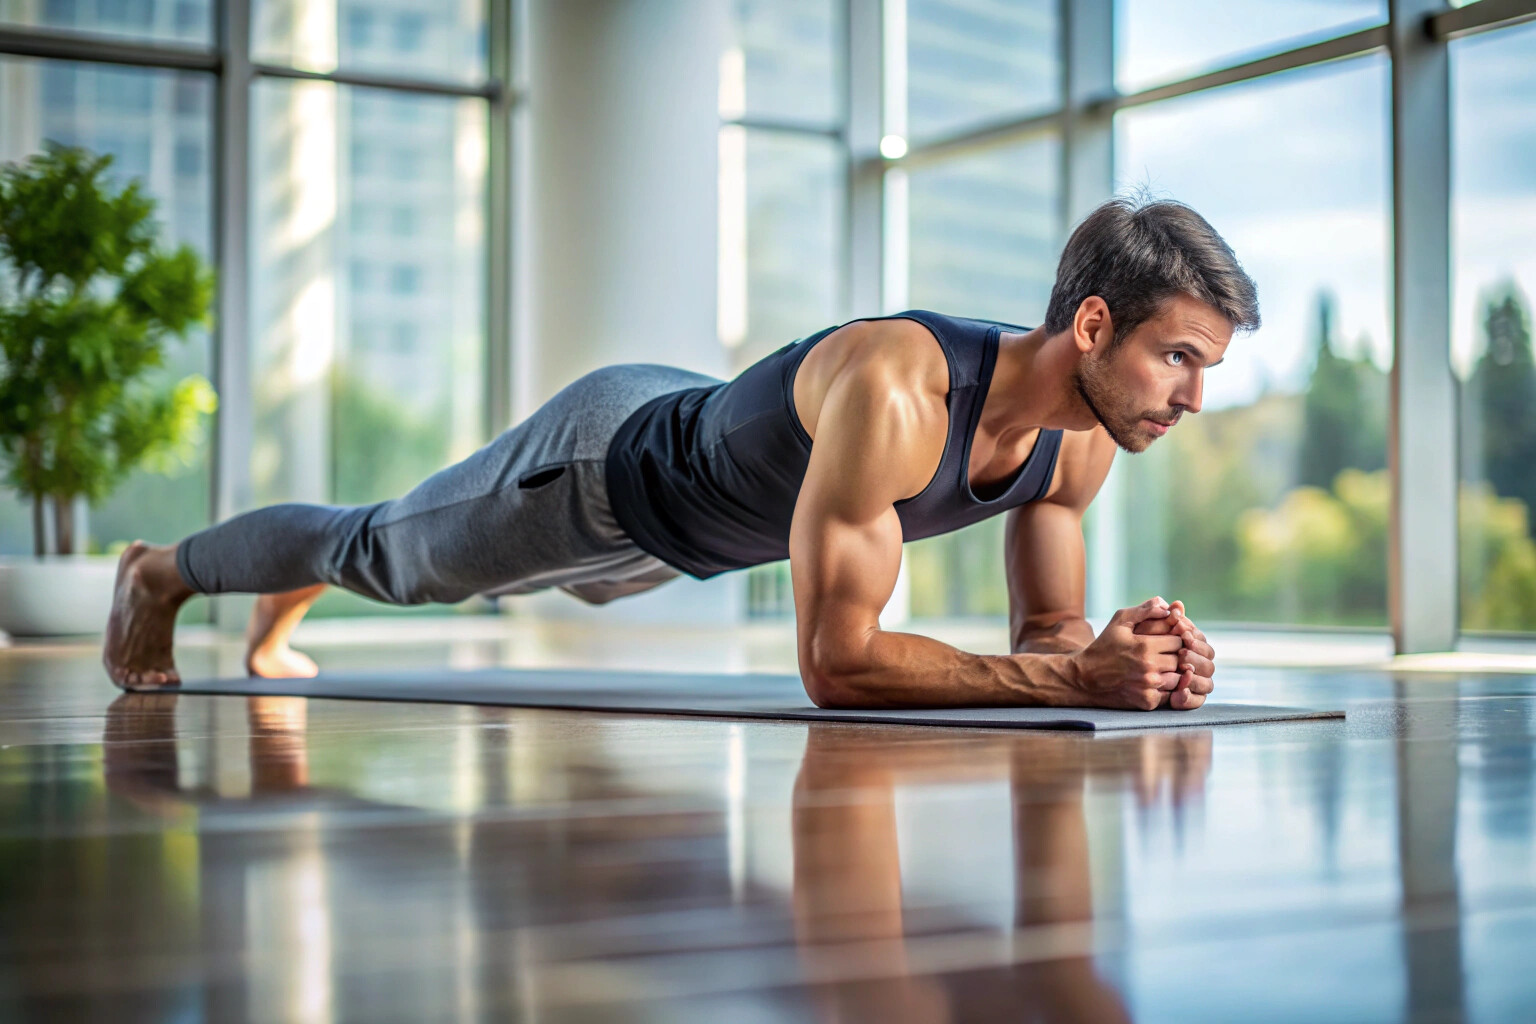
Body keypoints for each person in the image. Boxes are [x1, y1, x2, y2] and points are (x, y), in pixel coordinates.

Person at [103, 194, 1257, 711]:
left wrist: (1124, 657)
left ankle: (301, 578)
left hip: (689, 529)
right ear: (1095, 326)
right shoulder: (903, 389)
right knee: (389, 558)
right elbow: (837, 663)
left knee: (403, 548)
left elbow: (1049, 642)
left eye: (1208, 368)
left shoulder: (1084, 444)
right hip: (605, 471)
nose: (1194, 397)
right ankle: (158, 572)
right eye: (1179, 358)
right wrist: (1072, 678)